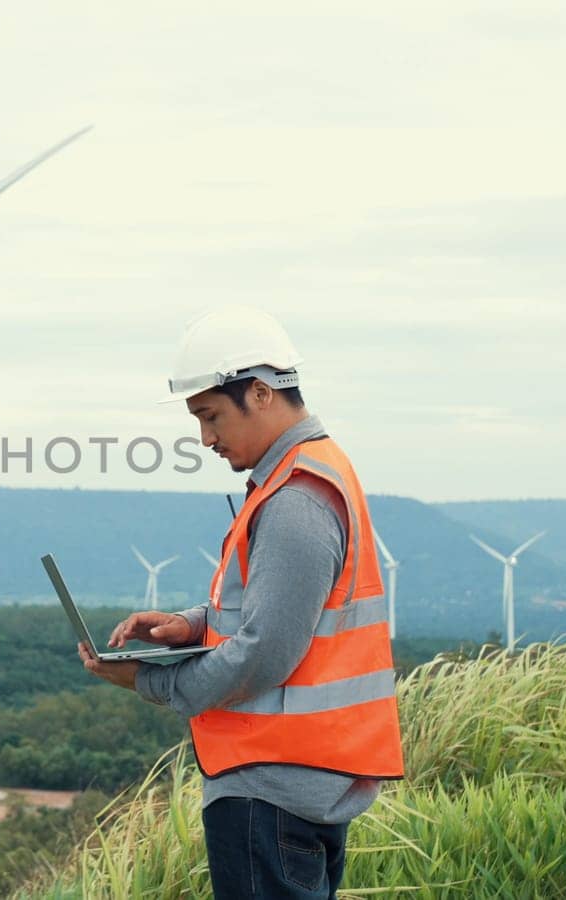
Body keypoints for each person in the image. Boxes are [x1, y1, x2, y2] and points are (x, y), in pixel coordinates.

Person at [79, 307, 403, 899]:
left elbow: (263, 653)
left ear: (259, 392)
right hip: (298, 787)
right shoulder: (306, 477)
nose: (204, 438)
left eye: (210, 416)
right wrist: (186, 627)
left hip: (271, 793)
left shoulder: (297, 500)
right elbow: (275, 615)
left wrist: (147, 683)